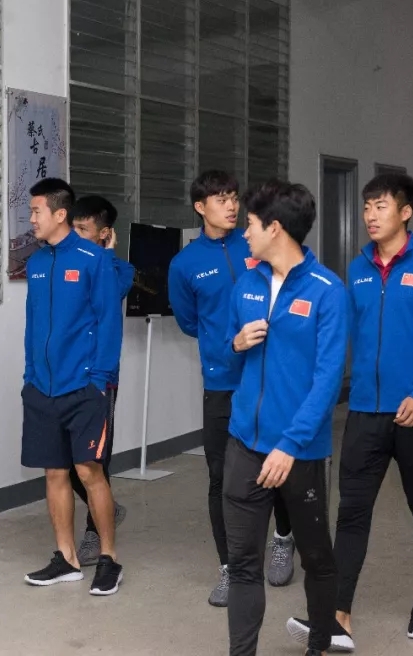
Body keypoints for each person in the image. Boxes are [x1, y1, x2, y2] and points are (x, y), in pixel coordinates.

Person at [289, 171, 413, 651]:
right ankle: (338, 614)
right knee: (351, 513)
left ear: (406, 212)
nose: (370, 215)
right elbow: (338, 332)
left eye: (380, 206)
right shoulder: (357, 269)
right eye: (367, 207)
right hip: (365, 411)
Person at [221, 180, 346, 656]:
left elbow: (327, 380)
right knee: (242, 563)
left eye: (250, 224)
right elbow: (225, 358)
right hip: (244, 446)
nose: (244, 232)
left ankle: (319, 645)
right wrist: (236, 344)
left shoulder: (327, 292)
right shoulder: (246, 284)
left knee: (316, 557)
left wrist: (290, 445)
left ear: (275, 228)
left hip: (300, 453)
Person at [168, 169, 296, 607]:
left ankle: (283, 537)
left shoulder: (255, 244)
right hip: (222, 381)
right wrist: (225, 344)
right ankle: (230, 567)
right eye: (221, 199)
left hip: (267, 377)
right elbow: (189, 321)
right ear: (200, 207)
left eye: (234, 198)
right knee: (221, 476)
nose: (231, 206)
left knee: (276, 466)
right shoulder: (185, 264)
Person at [20, 178, 125, 597]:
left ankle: (109, 558)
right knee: (54, 472)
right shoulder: (35, 263)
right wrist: (30, 376)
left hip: (84, 386)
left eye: (36, 211)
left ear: (59, 213)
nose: (31, 219)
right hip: (42, 388)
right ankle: (66, 558)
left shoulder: (93, 259)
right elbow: (32, 324)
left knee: (89, 471)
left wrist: (99, 380)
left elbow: (109, 323)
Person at [66, 194, 134, 566]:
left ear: (105, 234)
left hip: (99, 380)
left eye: (83, 229)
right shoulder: (64, 263)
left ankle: (95, 531)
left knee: (94, 458)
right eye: (72, 228)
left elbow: (106, 292)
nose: (74, 235)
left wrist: (106, 255)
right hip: (63, 377)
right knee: (63, 460)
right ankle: (108, 507)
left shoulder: (119, 270)